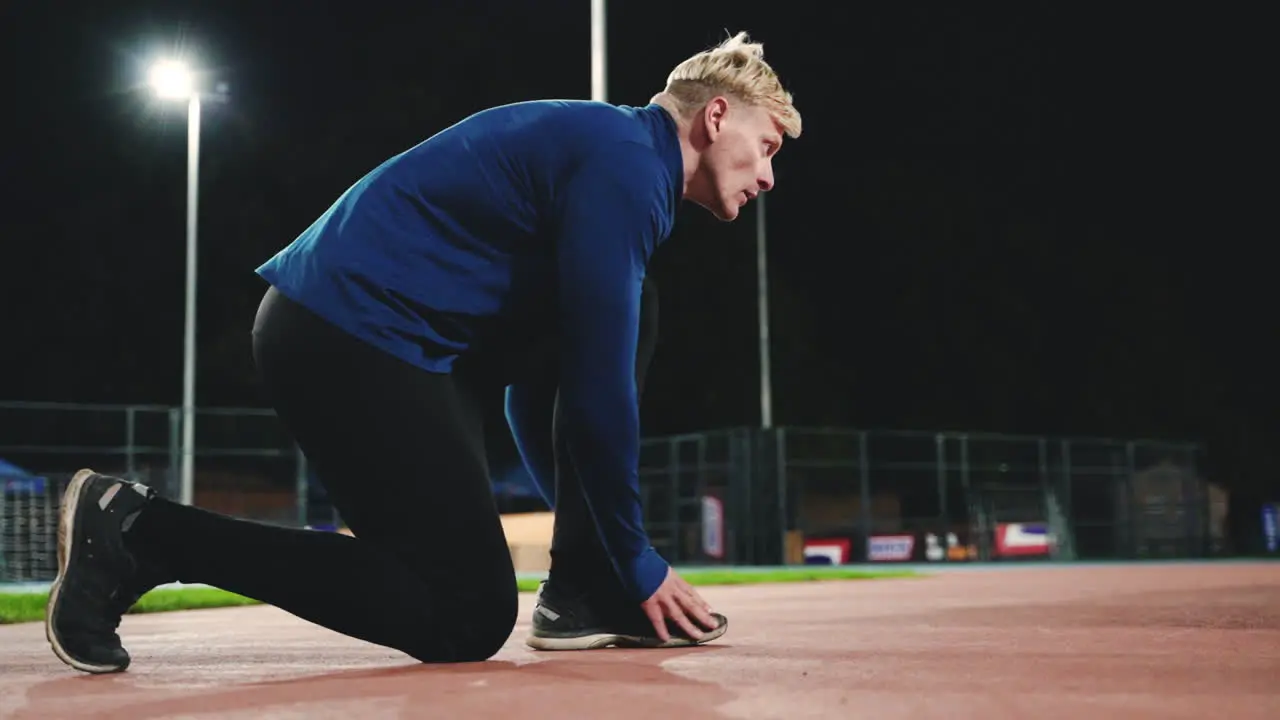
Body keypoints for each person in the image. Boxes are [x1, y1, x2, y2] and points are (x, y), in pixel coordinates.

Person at [44, 30, 802, 674]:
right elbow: (599, 395)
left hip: (406, 348)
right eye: (766, 146)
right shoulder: (629, 165)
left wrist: (597, 550)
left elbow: (540, 392)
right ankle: (138, 531)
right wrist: (635, 556)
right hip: (345, 333)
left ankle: (582, 590)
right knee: (463, 616)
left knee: (637, 306)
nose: (768, 175)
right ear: (715, 116)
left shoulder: (617, 157)